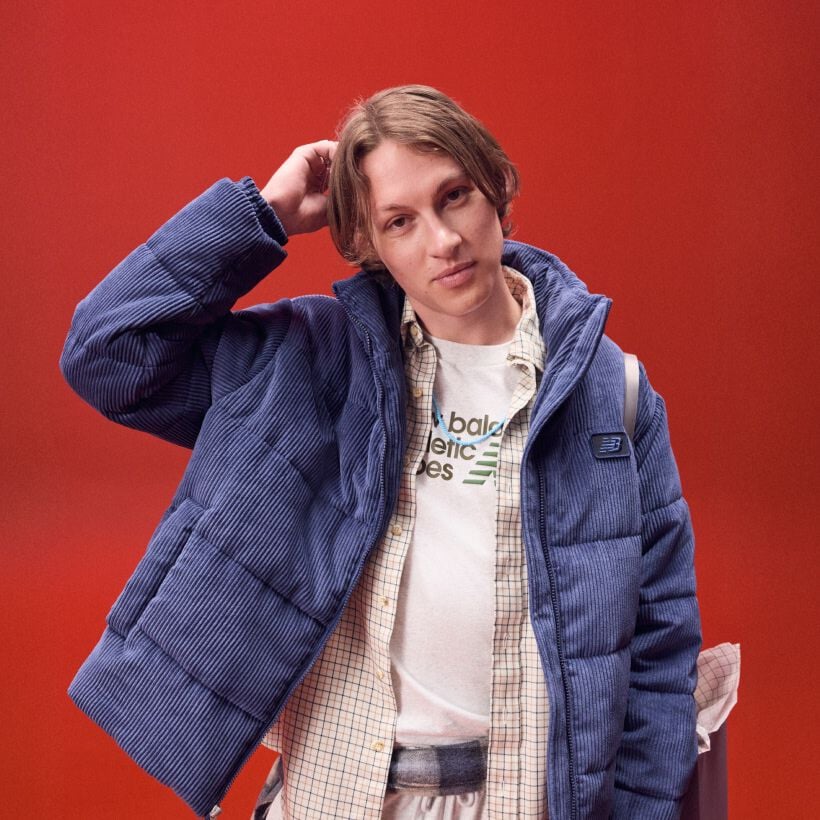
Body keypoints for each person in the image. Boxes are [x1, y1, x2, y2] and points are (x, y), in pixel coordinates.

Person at [60, 85, 701, 819]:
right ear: (367, 245)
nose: (443, 240)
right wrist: (259, 217)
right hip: (338, 793)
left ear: (495, 186)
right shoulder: (309, 364)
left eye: (454, 196)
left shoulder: (609, 394)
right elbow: (109, 354)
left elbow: (660, 645)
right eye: (400, 220)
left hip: (521, 796)